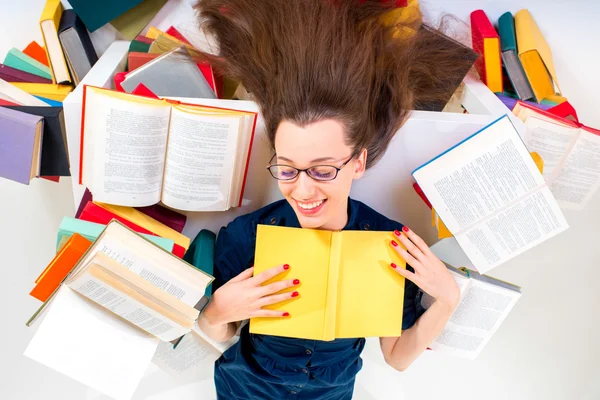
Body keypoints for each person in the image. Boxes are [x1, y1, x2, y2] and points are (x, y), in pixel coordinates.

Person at [195, 1, 475, 398]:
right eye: (288, 169)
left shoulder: (391, 243)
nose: (303, 191)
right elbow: (219, 333)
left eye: (323, 170)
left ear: (358, 162)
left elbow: (396, 356)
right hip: (246, 389)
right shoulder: (245, 236)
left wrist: (447, 299)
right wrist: (217, 311)